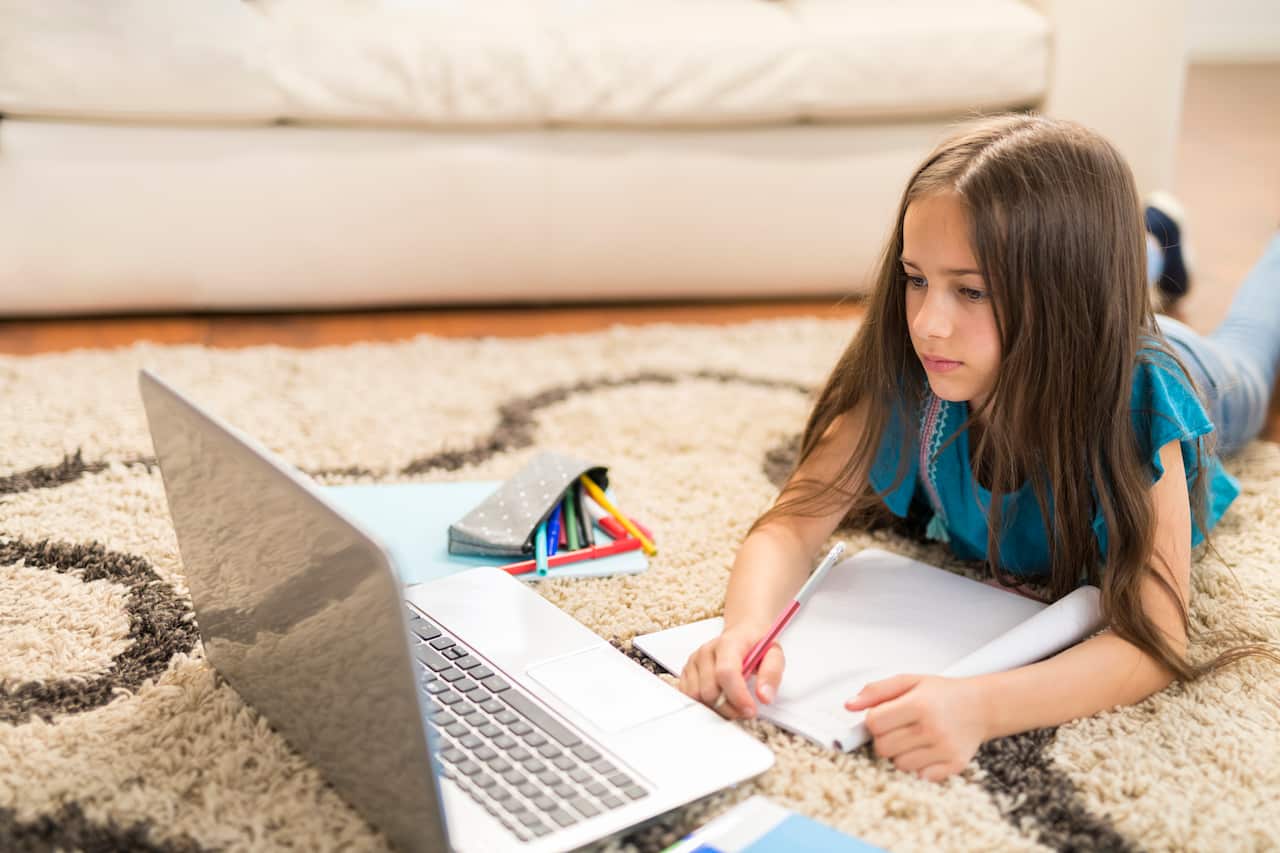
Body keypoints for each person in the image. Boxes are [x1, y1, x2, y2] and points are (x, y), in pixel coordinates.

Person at [677, 113, 1280, 782]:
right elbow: (792, 524)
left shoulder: (1142, 399)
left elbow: (1154, 639)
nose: (928, 323)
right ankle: (1154, 240)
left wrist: (979, 706)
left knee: (1255, 341)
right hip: (1082, 294)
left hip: (1199, 371)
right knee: (1091, 262)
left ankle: (1174, 247)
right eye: (915, 278)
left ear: (1062, 301)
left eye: (970, 290)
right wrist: (744, 632)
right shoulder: (916, 367)